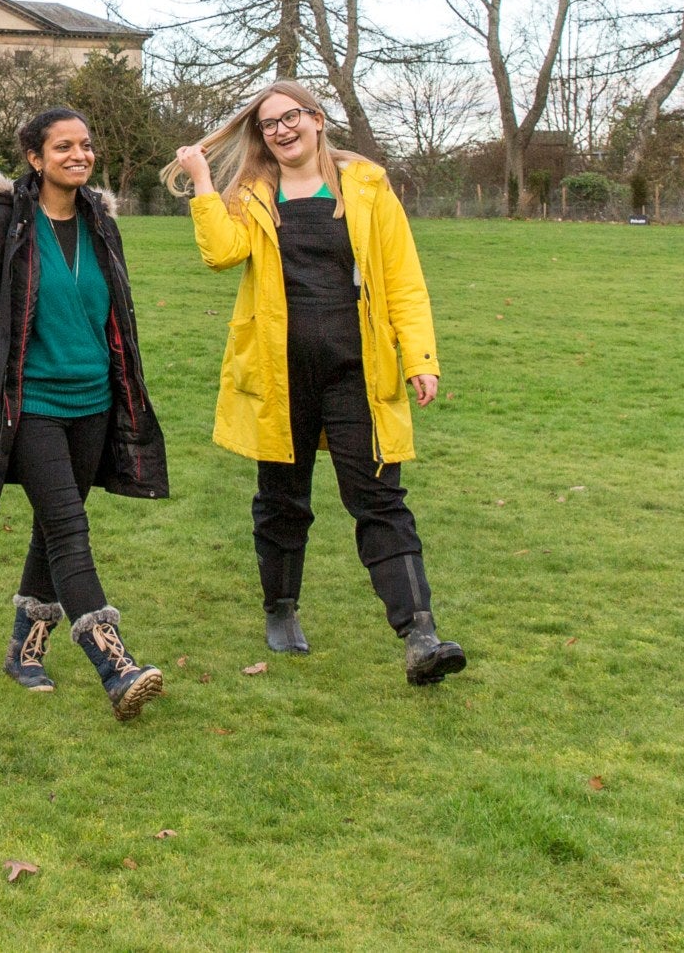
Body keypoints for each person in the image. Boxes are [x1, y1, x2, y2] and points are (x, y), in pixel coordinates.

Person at [170, 80, 465, 685]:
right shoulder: (253, 193)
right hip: (280, 375)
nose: (281, 130)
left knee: (380, 500)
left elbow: (403, 276)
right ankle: (280, 610)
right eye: (269, 124)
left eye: (291, 118)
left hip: (359, 371)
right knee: (282, 501)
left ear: (317, 119)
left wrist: (421, 358)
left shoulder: (365, 185)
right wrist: (202, 181)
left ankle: (420, 633)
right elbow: (220, 255)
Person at [0, 107, 170, 719]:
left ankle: (25, 651)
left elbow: (114, 313)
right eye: (63, 146)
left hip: (94, 403)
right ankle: (116, 665)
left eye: (86, 145)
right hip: (31, 406)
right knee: (71, 530)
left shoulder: (101, 224)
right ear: (35, 158)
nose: (79, 155)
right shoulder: (3, 227)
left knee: (54, 527)